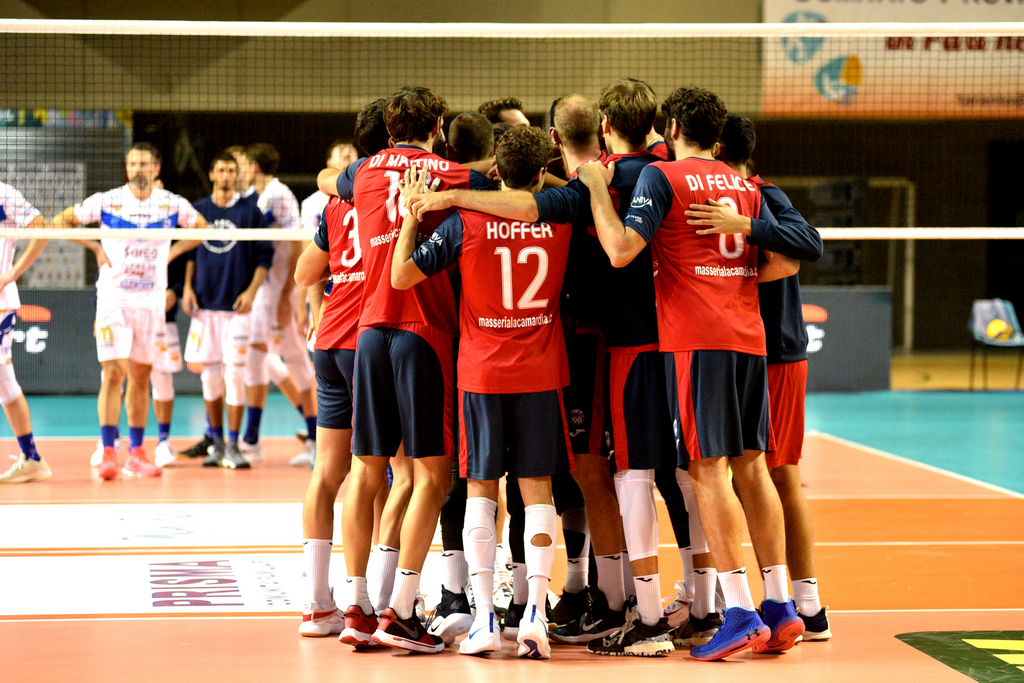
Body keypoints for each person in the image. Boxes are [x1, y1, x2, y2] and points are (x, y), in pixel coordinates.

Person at [575, 86, 804, 661]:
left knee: (707, 471)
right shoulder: (743, 185)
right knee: (753, 467)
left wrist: (598, 188)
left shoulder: (664, 177)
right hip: (749, 338)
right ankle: (780, 605)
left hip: (698, 341)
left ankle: (739, 612)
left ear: (672, 127)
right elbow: (786, 260)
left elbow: (621, 250)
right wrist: (730, 272)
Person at [392, 126, 572, 659]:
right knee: (537, 491)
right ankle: (535, 615)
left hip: (482, 374)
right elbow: (560, 189)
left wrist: (412, 215)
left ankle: (486, 619)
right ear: (541, 171)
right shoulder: (561, 215)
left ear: (495, 164)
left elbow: (401, 276)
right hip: (541, 372)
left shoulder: (465, 222)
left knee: (481, 490)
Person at [316, 86, 473, 654]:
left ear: (387, 130)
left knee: (366, 471)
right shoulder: (448, 172)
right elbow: (503, 182)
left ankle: (356, 605)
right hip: (422, 330)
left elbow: (326, 180)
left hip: (368, 331)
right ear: (436, 126)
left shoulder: (360, 173)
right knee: (433, 475)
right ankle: (401, 611)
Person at [710, 112, 831, 642]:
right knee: (740, 473)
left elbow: (809, 242)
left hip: (776, 353)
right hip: (740, 350)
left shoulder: (762, 193)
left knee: (778, 474)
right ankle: (750, 599)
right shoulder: (704, 195)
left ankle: (807, 605)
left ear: (716, 148)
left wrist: (746, 227)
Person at [292, 99, 390, 638]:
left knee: (326, 472)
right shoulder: (390, 196)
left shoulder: (335, 203)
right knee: (381, 471)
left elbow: (306, 272)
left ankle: (316, 604)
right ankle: (373, 597)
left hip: (327, 341)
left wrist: (326, 298)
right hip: (365, 343)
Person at [52, 143, 202, 480]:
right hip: (114, 299)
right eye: (133, 163)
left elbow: (202, 229)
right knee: (113, 374)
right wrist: (94, 247)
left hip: (149, 302)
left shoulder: (171, 203)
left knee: (140, 376)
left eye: (144, 164)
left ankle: (136, 454)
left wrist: (171, 254)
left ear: (156, 168)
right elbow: (61, 220)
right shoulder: (107, 200)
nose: (138, 169)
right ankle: (108, 450)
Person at [181, 151, 273, 470]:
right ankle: (217, 442)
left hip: (237, 309)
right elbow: (189, 253)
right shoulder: (199, 210)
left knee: (235, 375)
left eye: (231, 171)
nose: (225, 175)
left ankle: (234, 444)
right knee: (209, 378)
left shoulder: (251, 212)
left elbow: (265, 258)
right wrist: (187, 287)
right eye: (220, 170)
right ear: (211, 174)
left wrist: (251, 292)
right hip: (205, 308)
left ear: (237, 176)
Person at [238, 143, 317, 467]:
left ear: (255, 166)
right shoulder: (252, 196)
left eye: (244, 164)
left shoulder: (280, 195)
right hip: (261, 291)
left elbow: (298, 244)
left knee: (297, 363)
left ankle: (315, 439)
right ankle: (251, 440)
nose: (241, 170)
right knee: (256, 358)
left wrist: (289, 294)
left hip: (280, 291)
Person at [0, 182, 52, 483]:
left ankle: (32, 458)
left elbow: (42, 229)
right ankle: (32, 458)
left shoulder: (4, 195)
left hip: (0, 305)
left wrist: (11, 274)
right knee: (5, 381)